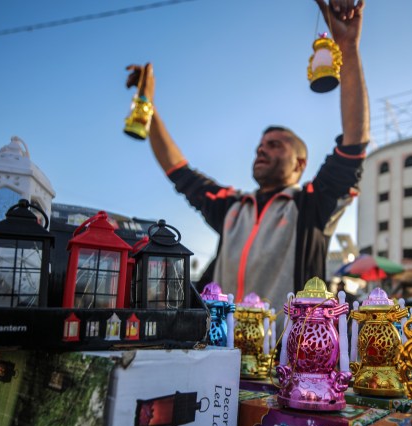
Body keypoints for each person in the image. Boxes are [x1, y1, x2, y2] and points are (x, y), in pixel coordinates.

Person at [126, 0, 369, 313]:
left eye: (275, 144)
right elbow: (178, 171)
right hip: (218, 355)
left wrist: (347, 47)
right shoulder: (232, 208)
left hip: (285, 358)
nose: (261, 149)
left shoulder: (312, 205)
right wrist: (147, 105)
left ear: (300, 163)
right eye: (259, 145)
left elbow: (353, 146)